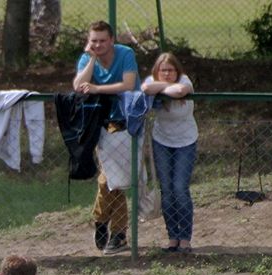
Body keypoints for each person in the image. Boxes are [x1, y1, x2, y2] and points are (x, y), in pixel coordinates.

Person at [73, 21, 140, 256]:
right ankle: (117, 233)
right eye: (94, 41)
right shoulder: (88, 58)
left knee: (113, 181)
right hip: (99, 125)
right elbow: (78, 85)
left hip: (126, 124)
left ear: (112, 40)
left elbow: (129, 84)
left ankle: (103, 221)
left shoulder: (126, 54)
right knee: (111, 180)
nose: (98, 44)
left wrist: (97, 89)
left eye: (102, 40)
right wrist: (91, 60)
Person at [141, 53, 198, 254]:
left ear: (177, 71)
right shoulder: (151, 80)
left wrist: (163, 88)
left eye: (170, 70)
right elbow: (146, 88)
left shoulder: (184, 80)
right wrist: (166, 88)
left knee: (180, 188)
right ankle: (172, 237)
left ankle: (185, 238)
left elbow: (182, 90)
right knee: (166, 191)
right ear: (157, 71)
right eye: (162, 70)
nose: (166, 73)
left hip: (186, 141)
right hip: (162, 141)